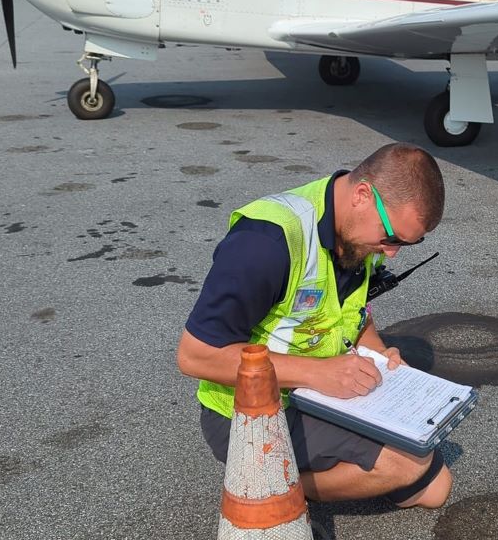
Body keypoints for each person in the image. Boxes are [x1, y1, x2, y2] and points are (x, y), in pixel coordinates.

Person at [177, 143, 451, 508]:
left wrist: (379, 353)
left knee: (435, 489)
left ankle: (284, 478)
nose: (391, 253)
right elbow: (196, 356)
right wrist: (318, 372)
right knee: (406, 462)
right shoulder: (265, 243)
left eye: (406, 244)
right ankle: (262, 491)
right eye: (391, 238)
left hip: (317, 397)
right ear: (362, 195)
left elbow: (354, 312)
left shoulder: (356, 233)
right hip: (250, 411)